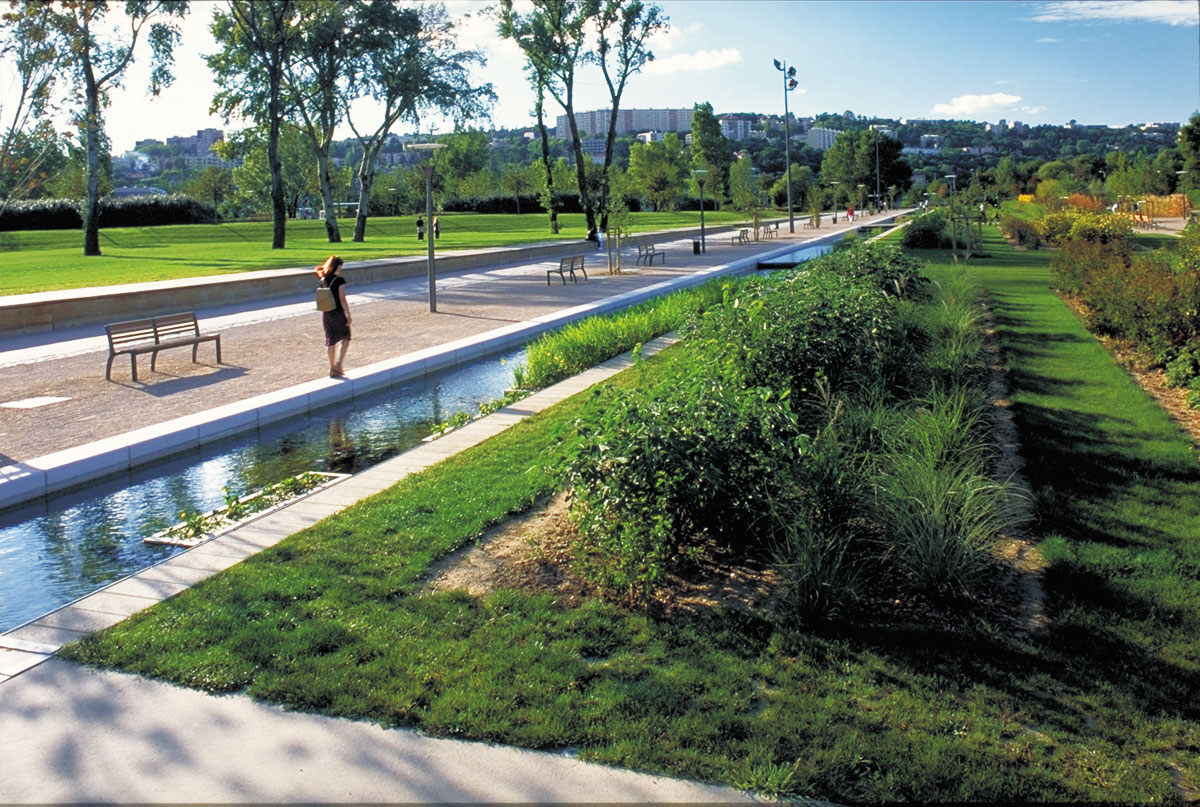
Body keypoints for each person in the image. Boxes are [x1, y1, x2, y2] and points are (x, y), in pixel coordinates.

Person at [316, 255, 351, 378]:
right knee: (346, 337)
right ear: (338, 266)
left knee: (331, 340)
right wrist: (348, 315)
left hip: (326, 312)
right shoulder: (339, 280)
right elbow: (342, 299)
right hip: (338, 312)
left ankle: (332, 368)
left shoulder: (323, 279)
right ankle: (339, 364)